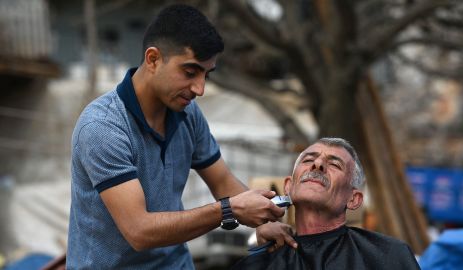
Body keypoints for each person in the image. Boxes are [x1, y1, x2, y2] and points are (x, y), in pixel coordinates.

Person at [66, 4, 295, 269]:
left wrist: (267, 224)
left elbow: (222, 182)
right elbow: (139, 232)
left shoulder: (188, 114)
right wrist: (228, 210)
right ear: (152, 59)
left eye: (206, 75)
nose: (199, 88)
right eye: (190, 72)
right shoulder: (103, 126)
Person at [233, 138, 420, 270]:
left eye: (335, 165)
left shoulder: (387, 257)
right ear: (289, 187)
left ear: (353, 199)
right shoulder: (259, 265)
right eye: (308, 159)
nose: (318, 164)